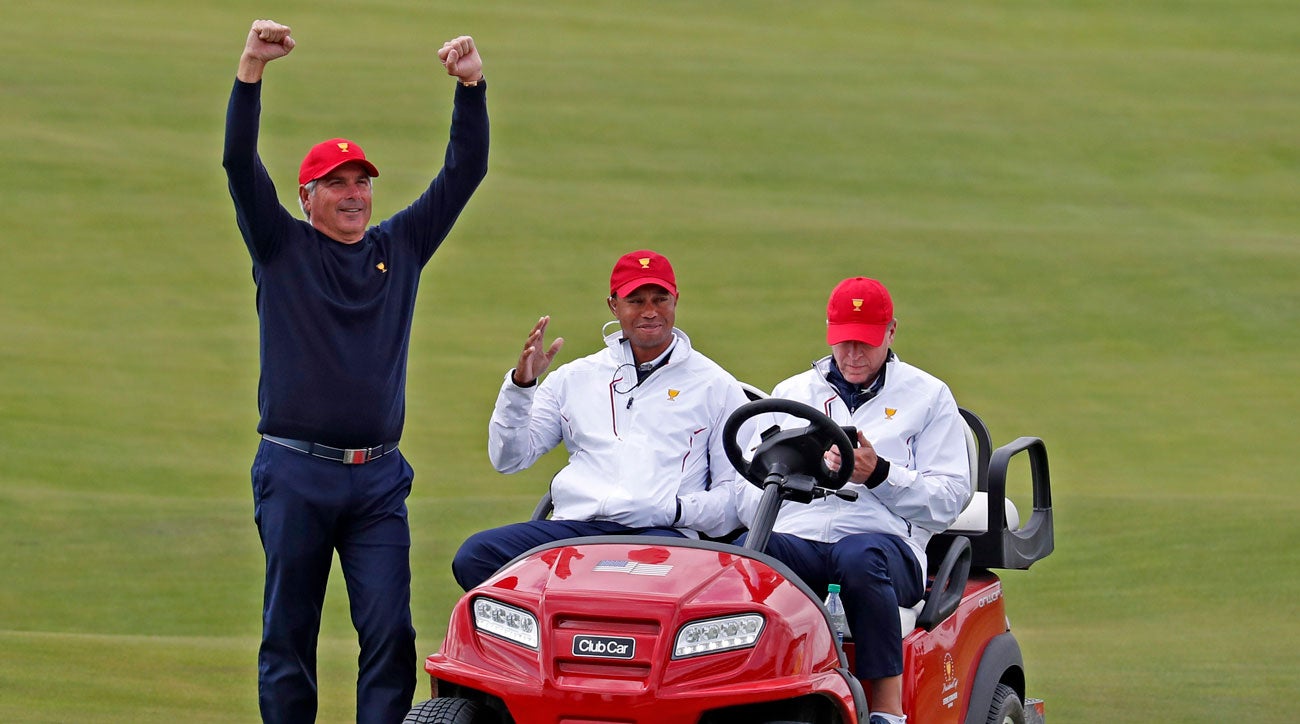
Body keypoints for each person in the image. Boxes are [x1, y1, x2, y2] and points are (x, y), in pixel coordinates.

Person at [222, 19, 489, 724]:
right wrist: (251, 69)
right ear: (306, 196)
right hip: (294, 472)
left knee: (389, 634)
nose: (353, 194)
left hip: (376, 479)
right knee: (289, 635)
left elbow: (465, 173)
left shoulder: (398, 246)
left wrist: (471, 89)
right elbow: (237, 163)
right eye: (334, 183)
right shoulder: (280, 245)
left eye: (361, 182)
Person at [734, 276, 971, 724]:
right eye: (844, 342)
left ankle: (886, 710)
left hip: (885, 546)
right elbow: (754, 484)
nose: (853, 355)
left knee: (858, 556)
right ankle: (743, 691)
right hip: (802, 535)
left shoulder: (929, 396)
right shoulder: (794, 391)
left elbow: (948, 499)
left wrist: (879, 473)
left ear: (891, 332)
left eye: (865, 342)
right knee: (749, 553)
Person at [452, 250, 750, 590]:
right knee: (476, 556)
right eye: (635, 301)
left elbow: (734, 498)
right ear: (613, 305)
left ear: (676, 300)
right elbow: (508, 458)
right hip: (576, 531)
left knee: (630, 592)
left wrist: (673, 510)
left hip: (661, 536)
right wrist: (521, 388)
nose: (650, 312)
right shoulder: (575, 376)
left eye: (660, 299)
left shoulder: (716, 385)